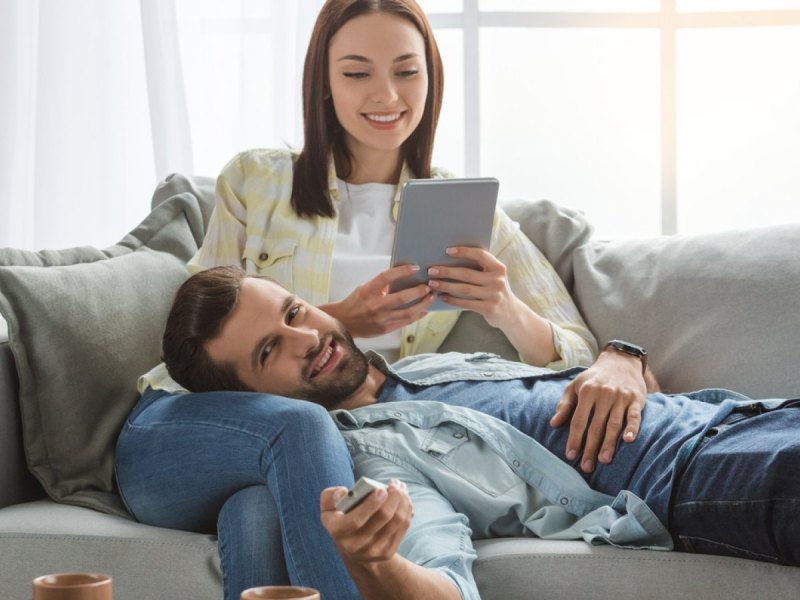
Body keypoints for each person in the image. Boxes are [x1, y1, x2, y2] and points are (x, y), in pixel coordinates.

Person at [117, 1, 647, 599]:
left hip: (343, 446)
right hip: (208, 416)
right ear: (323, 83)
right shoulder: (256, 183)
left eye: (406, 70)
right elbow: (195, 334)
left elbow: (576, 349)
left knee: (258, 512)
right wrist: (343, 317)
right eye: (356, 72)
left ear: (431, 77)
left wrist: (503, 307)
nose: (386, 95)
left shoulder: (463, 212)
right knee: (302, 425)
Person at [156, 266, 799, 599]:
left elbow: (631, 394)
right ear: (251, 402)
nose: (308, 338)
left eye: (295, 312)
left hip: (743, 415)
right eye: (270, 351)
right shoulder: (371, 461)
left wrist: (621, 356)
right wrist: (373, 562)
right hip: (694, 476)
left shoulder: (429, 365)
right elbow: (445, 584)